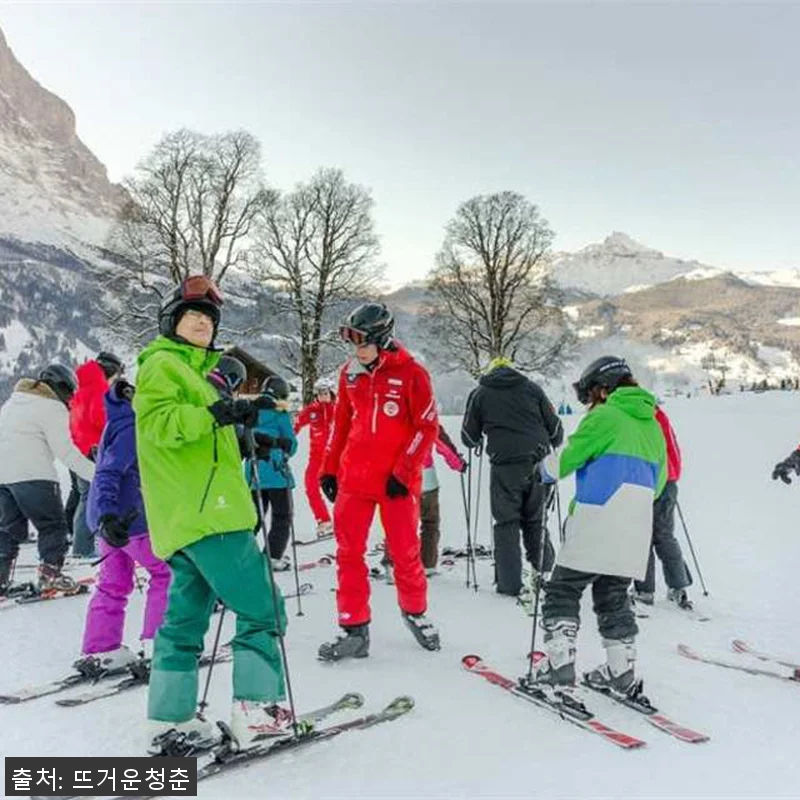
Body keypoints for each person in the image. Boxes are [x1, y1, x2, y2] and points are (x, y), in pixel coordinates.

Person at [133, 276, 291, 753]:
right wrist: (217, 414)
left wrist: (246, 434)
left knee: (183, 620)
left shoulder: (194, 374)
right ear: (172, 322)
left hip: (186, 518)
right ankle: (258, 714)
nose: (203, 322)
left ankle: (170, 719)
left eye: (209, 318)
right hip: (212, 516)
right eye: (193, 315)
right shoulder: (164, 364)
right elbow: (161, 423)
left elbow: (200, 437)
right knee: (263, 609)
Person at [531, 356, 667, 693]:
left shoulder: (605, 416)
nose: (589, 403)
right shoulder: (653, 424)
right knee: (613, 594)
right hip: (636, 525)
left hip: (597, 516)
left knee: (563, 589)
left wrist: (541, 472)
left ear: (603, 390)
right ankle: (620, 671)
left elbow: (566, 459)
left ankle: (560, 666)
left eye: (590, 395)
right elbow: (661, 481)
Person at [317, 302, 440, 661]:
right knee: (348, 554)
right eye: (352, 342)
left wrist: (404, 473)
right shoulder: (349, 373)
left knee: (404, 552)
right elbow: (341, 423)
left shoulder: (412, 374)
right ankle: (354, 628)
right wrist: (329, 468)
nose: (356, 350)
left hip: (395, 484)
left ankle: (416, 612)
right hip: (355, 480)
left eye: (362, 342)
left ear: (382, 339)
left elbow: (426, 427)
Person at [74, 379, 170, 674]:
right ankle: (160, 644)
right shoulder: (132, 425)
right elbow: (108, 472)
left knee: (114, 582)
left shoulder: (119, 420)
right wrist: (108, 515)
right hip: (128, 519)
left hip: (113, 520)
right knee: (165, 572)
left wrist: (103, 516)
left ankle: (102, 648)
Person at [461, 356, 563, 599]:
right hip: (538, 461)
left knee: (506, 523)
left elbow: (468, 436)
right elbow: (556, 431)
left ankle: (509, 584)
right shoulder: (532, 388)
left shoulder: (481, 393)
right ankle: (546, 574)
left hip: (504, 465)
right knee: (536, 520)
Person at [0, 365, 95, 594]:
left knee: (7, 530)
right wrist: (99, 475)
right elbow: (67, 452)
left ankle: (0, 580)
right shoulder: (51, 406)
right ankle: (50, 575)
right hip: (34, 475)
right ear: (61, 387)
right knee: (52, 525)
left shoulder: (13, 403)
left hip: (3, 477)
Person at [382, 424, 467, 580]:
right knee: (430, 522)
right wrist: (458, 464)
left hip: (398, 478)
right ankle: (427, 564)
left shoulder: (392, 418)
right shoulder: (427, 420)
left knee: (398, 522)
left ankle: (393, 564)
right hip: (426, 477)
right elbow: (443, 445)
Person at [633, 405, 693, 610]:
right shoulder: (658, 414)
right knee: (664, 535)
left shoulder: (631, 415)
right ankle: (678, 586)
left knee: (642, 537)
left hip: (643, 481)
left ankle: (644, 590)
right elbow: (673, 449)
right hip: (667, 481)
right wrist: (672, 475)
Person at [69, 351, 124, 558]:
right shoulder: (100, 389)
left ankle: (80, 542)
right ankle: (82, 548)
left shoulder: (81, 387)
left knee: (83, 495)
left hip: (78, 447)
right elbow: (104, 420)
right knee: (91, 496)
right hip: (92, 450)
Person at [245, 375, 297, 569]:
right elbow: (291, 445)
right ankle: (272, 556)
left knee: (253, 518)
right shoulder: (280, 413)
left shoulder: (250, 411)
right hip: (277, 474)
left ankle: (243, 555)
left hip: (253, 473)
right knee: (282, 516)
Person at [294, 379, 336, 538]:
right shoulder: (312, 411)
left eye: (325, 393)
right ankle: (324, 521)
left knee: (343, 491)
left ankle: (349, 522)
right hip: (317, 458)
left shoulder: (339, 410)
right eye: (319, 393)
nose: (322, 396)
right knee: (311, 487)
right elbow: (295, 425)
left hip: (336, 458)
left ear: (332, 393)